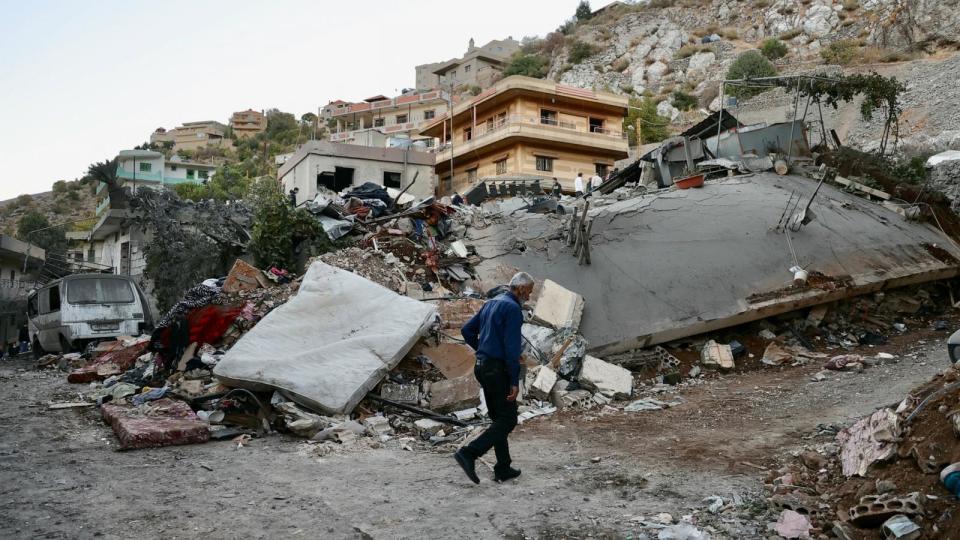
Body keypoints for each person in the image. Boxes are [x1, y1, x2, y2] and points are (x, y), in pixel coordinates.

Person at [454, 272, 534, 484]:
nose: (530, 296)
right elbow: (511, 348)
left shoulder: (492, 303)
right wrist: (514, 380)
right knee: (508, 419)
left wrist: (484, 350)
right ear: (520, 289)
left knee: (499, 418)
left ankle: (503, 467)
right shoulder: (513, 308)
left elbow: (466, 330)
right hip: (497, 370)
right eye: (529, 291)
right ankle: (469, 453)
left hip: (482, 367)